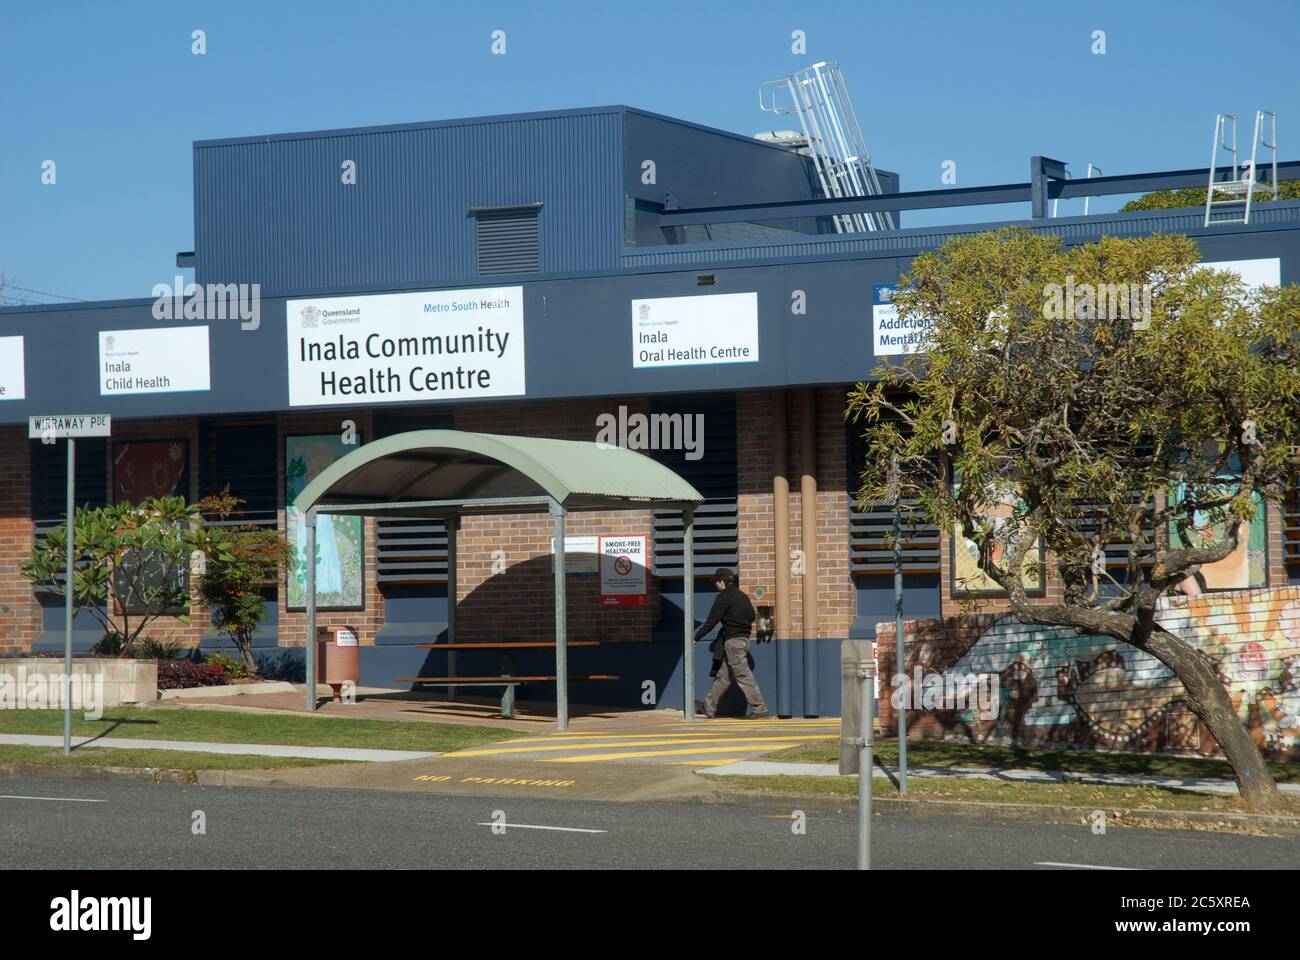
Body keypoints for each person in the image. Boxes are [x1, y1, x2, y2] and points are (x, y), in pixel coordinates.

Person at [693, 568, 769, 719]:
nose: (716, 585)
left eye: (716, 582)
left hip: (733, 642)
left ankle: (759, 708)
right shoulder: (742, 596)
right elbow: (752, 616)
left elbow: (711, 621)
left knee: (743, 675)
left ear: (722, 582)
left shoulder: (724, 597)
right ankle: (709, 706)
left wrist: (696, 637)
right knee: (724, 676)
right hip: (744, 640)